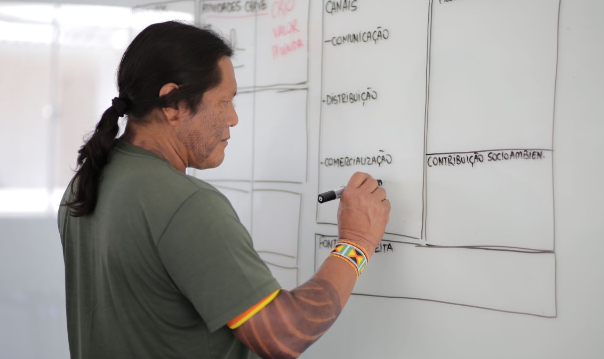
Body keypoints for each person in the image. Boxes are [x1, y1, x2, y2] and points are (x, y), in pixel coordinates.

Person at [58, 21, 390, 359]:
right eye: (223, 102)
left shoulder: (86, 182)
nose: (233, 119)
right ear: (173, 103)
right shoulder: (185, 205)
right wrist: (356, 243)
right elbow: (285, 334)